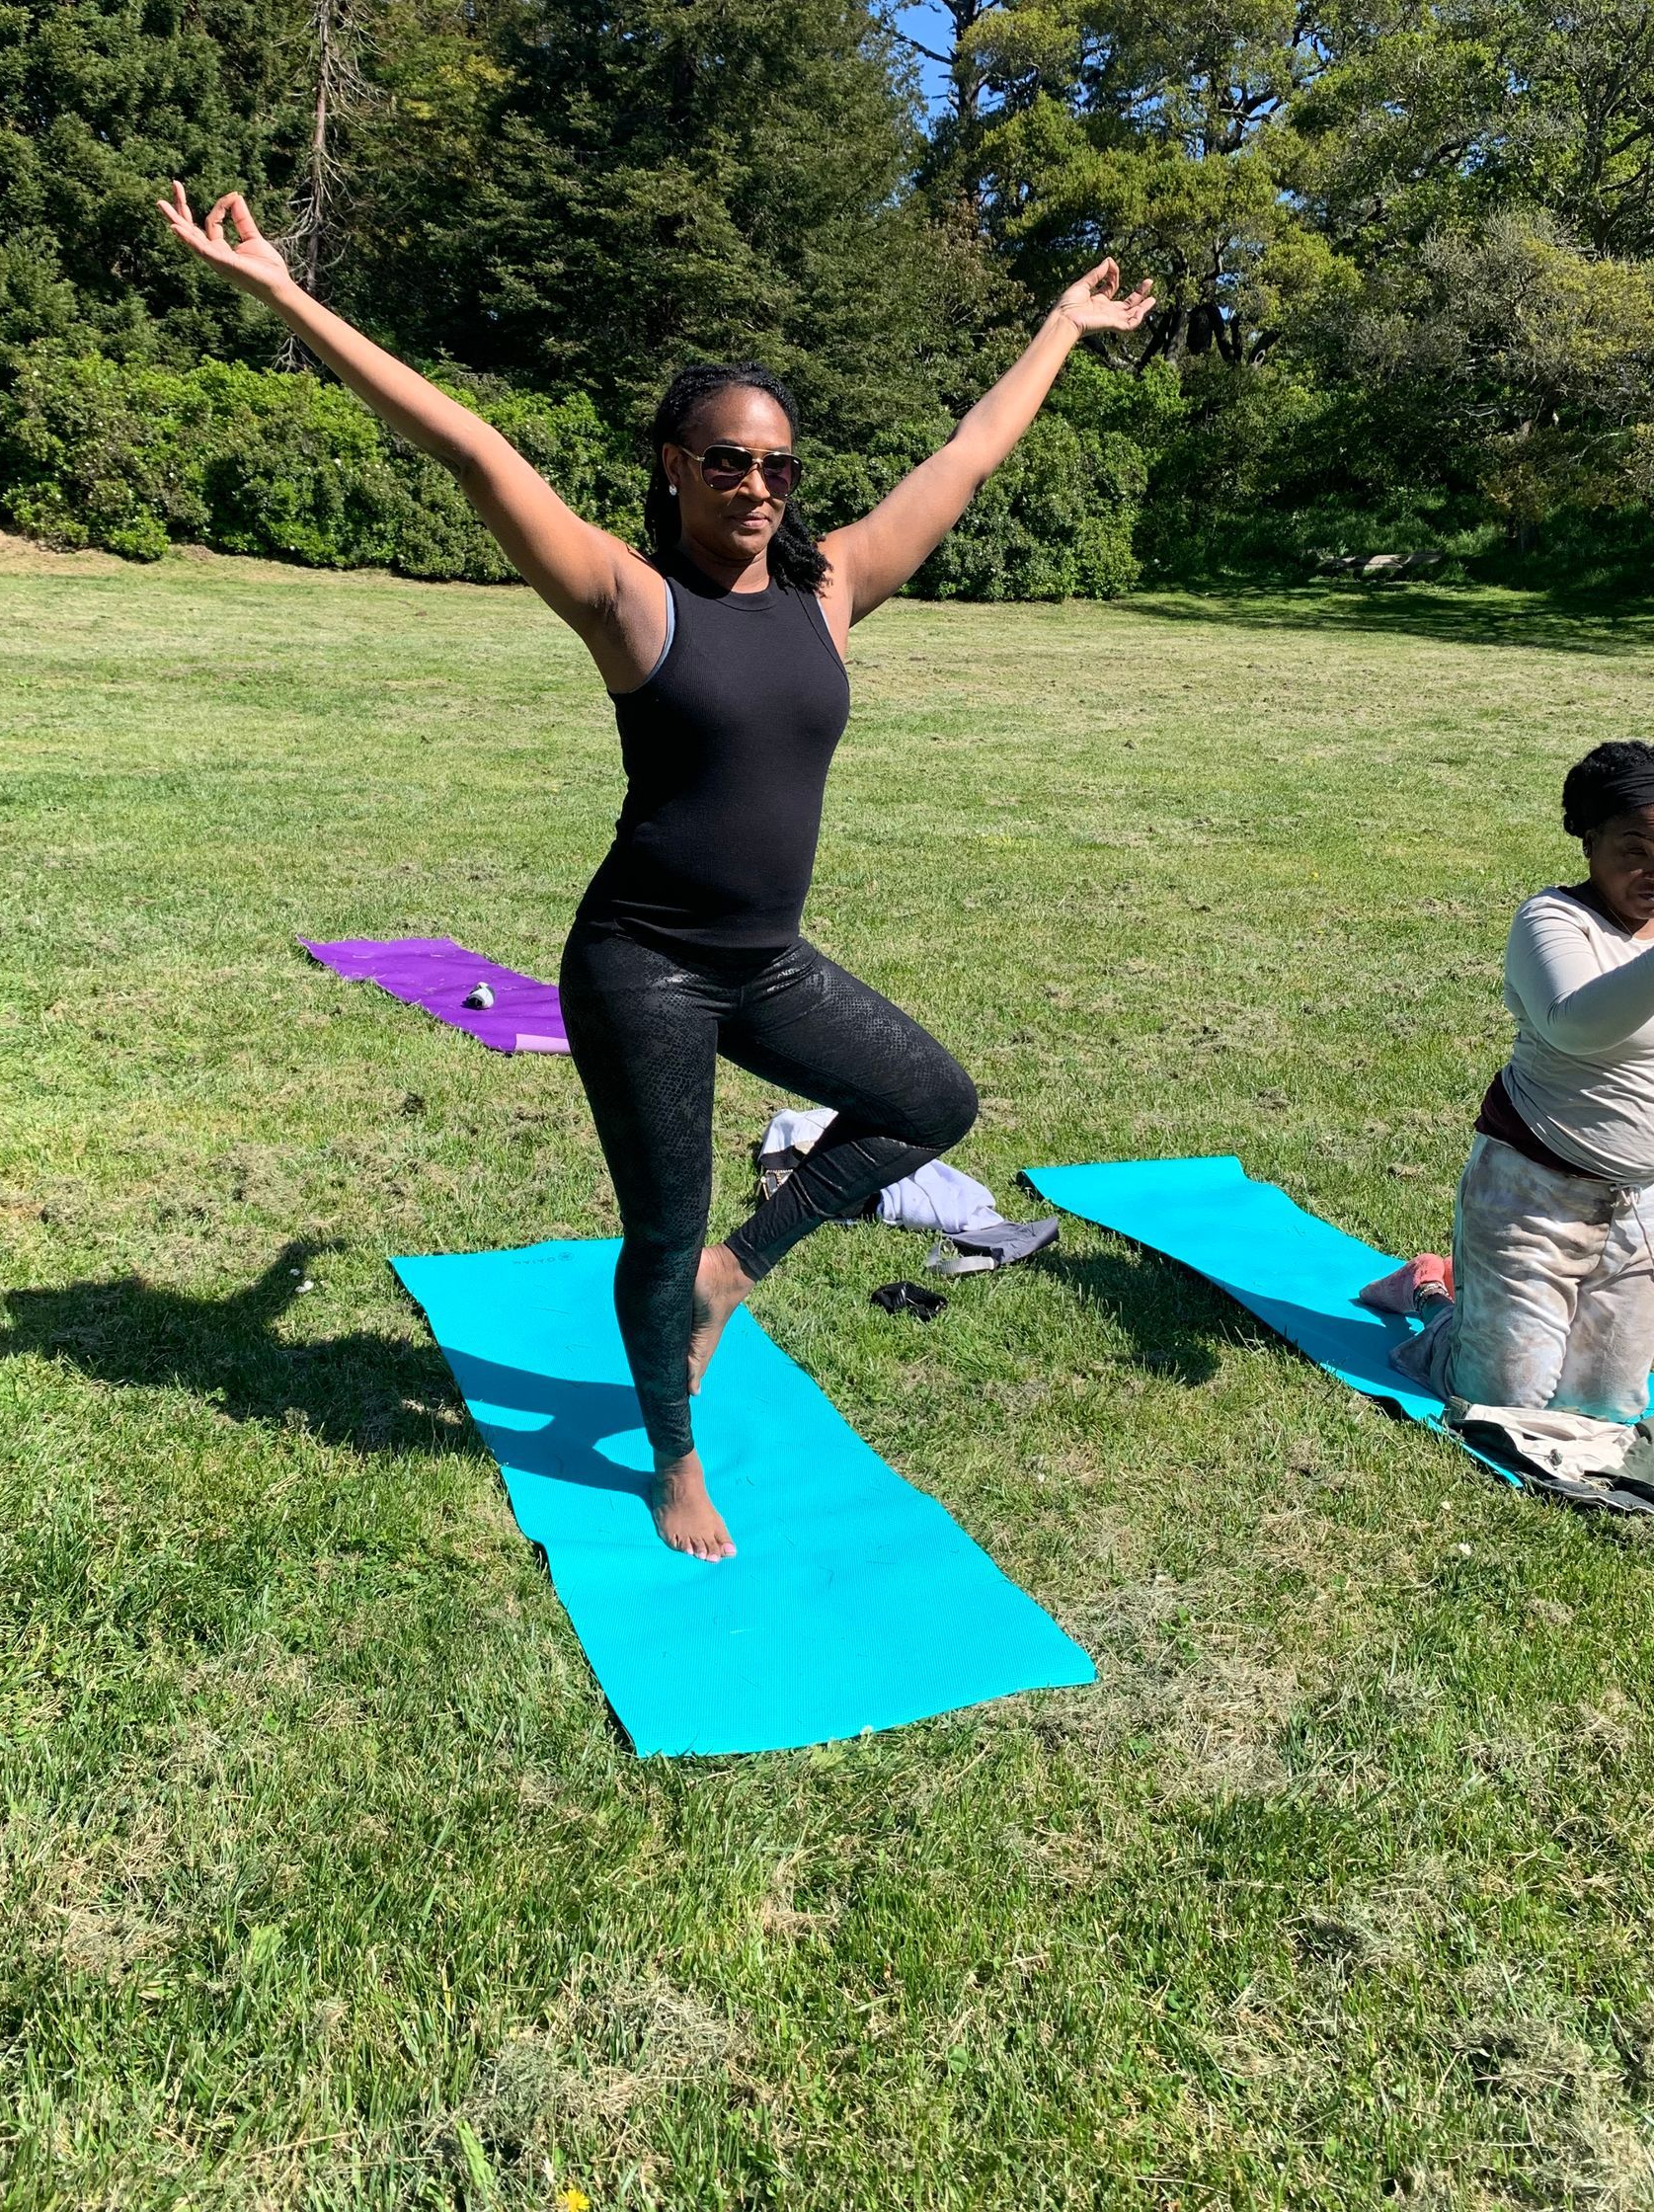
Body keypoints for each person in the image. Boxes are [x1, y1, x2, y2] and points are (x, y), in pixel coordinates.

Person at [158, 184, 1154, 1557]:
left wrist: (1056, 323)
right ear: (674, 465)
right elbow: (466, 446)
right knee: (655, 1221)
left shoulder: (834, 589)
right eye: (729, 461)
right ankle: (673, 1460)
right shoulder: (634, 601)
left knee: (929, 1098)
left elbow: (971, 455)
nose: (758, 485)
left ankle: (733, 1276)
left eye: (779, 466)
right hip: (645, 965)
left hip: (769, 963)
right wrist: (280, 291)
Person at [1365, 741, 1654, 1422]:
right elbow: (1580, 1024)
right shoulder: (1552, 920)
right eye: (1634, 849)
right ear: (1590, 844)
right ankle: (1431, 1294)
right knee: (1502, 1400)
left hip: (1644, 1200)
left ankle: (1465, 1299)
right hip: (1531, 1193)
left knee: (1606, 1406)